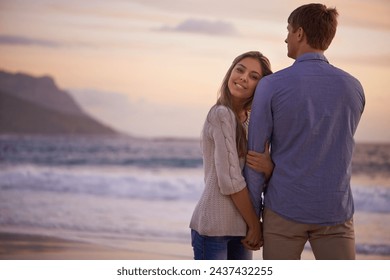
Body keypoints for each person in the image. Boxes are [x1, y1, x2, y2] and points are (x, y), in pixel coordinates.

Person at [244, 3, 365, 260]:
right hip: (336, 211)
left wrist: (253, 219)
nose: (286, 37)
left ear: (299, 33)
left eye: (288, 30)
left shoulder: (271, 86)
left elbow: (255, 158)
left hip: (284, 210)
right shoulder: (354, 87)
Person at [189, 51, 273, 260]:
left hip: (242, 227)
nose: (244, 78)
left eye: (254, 77)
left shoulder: (253, 120)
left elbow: (257, 173)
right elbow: (229, 181)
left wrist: (269, 168)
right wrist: (255, 224)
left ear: (260, 86)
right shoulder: (221, 115)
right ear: (230, 73)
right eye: (240, 70)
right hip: (215, 228)